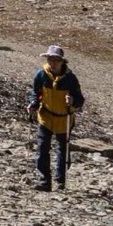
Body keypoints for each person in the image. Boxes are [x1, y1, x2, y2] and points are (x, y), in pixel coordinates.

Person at [28, 44, 84, 192]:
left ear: (62, 61)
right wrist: (34, 103)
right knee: (42, 148)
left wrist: (72, 101)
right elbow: (36, 92)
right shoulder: (41, 75)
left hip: (64, 119)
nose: (53, 62)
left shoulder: (70, 79)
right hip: (45, 117)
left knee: (62, 151)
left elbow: (80, 100)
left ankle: (60, 180)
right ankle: (44, 180)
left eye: (56, 60)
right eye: (50, 59)